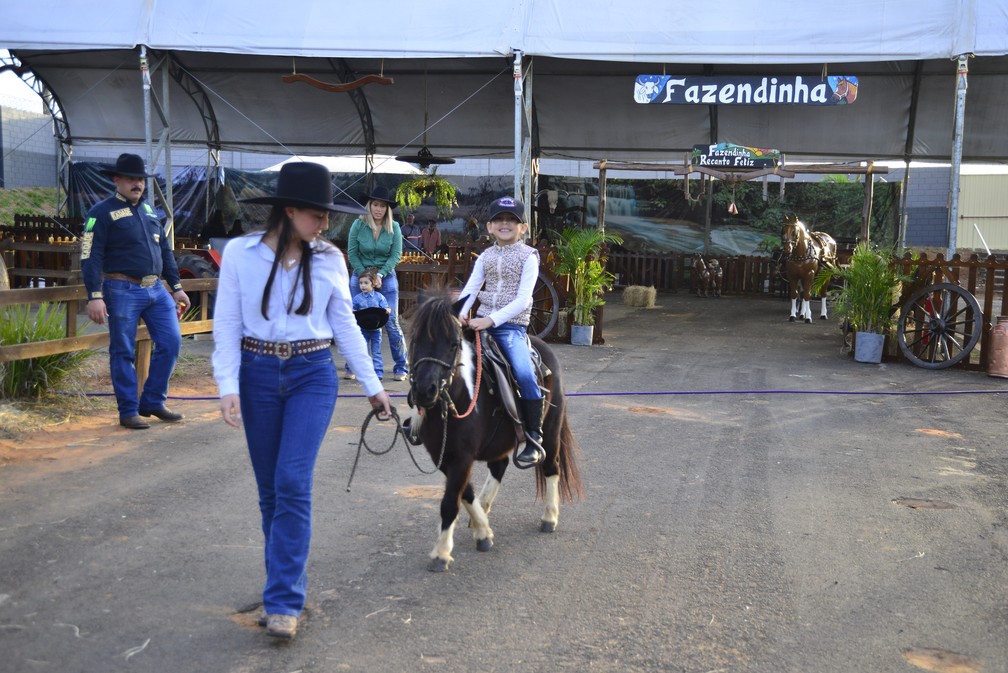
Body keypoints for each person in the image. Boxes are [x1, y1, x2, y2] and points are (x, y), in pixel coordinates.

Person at [212, 161, 392, 640]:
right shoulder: (240, 256)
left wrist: (374, 386)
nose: (325, 224)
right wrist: (226, 384)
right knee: (270, 490)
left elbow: (347, 326)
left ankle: (284, 601)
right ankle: (281, 585)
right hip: (256, 373)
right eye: (317, 215)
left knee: (292, 480)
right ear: (288, 211)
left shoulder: (331, 259)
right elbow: (226, 324)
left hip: (313, 373)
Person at [80, 153, 191, 430]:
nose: (137, 184)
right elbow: (89, 254)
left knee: (171, 343)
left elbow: (164, 250)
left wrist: (176, 287)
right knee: (123, 351)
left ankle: (152, 400)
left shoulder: (150, 211)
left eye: (140, 179)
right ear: (117, 180)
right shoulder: (100, 213)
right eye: (131, 179)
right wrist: (94, 295)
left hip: (156, 290)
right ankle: (128, 410)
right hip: (121, 289)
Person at [456, 196, 546, 467]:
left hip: (509, 327)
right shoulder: (485, 256)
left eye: (512, 220)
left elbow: (523, 299)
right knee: (442, 357)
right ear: (489, 227)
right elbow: (471, 289)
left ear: (524, 228)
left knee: (523, 373)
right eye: (499, 220)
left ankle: (533, 437)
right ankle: (423, 417)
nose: (505, 224)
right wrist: (458, 311)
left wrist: (491, 321)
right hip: (479, 321)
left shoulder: (529, 256)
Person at [344, 185, 409, 381]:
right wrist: (366, 275)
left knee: (391, 322)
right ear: (369, 206)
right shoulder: (358, 225)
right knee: (354, 321)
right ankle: (352, 365)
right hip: (361, 274)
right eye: (375, 205)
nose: (378, 209)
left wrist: (380, 274)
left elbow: (396, 255)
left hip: (385, 275)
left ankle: (401, 366)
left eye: (382, 206)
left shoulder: (394, 227)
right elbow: (353, 253)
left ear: (387, 209)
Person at [352, 269, 391, 380]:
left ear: (373, 284)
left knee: (376, 351)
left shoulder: (379, 297)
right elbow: (352, 309)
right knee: (363, 351)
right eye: (361, 283)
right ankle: (364, 372)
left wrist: (387, 310)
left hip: (376, 329)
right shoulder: (357, 298)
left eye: (366, 283)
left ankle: (378, 372)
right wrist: (351, 311)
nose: (363, 286)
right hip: (362, 329)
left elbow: (386, 307)